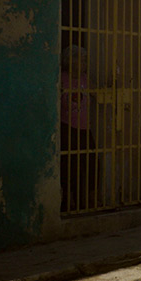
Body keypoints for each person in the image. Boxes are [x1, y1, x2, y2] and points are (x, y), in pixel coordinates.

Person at [59, 44, 97, 212]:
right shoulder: (61, 78)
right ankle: (68, 200)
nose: (83, 62)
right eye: (80, 59)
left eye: (84, 59)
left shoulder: (84, 79)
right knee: (69, 165)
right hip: (67, 128)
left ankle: (87, 199)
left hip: (84, 128)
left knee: (91, 162)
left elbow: (97, 93)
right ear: (70, 61)